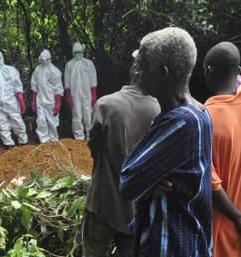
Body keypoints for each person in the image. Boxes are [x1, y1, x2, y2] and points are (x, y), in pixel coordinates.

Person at [120, 27, 213, 257]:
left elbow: (127, 182)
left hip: (171, 245)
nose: (137, 71)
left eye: (142, 65)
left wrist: (148, 181)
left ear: (162, 74)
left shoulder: (180, 123)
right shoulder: (199, 114)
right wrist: (152, 180)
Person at [82, 54, 161, 257]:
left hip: (103, 203)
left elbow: (94, 149)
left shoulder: (105, 105)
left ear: (134, 70)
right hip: (137, 210)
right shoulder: (160, 110)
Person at [204, 42, 241, 257]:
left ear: (208, 71)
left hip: (226, 226)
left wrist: (236, 217)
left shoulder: (205, 117)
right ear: (238, 72)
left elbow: (211, 181)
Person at [0, 49, 28, 149]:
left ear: (2, 58)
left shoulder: (11, 71)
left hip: (12, 103)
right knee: (2, 125)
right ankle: (8, 144)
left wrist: (21, 102)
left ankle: (23, 143)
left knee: (17, 122)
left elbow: (18, 89)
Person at [64, 42, 97, 140]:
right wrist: (68, 96)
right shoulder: (69, 65)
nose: (78, 54)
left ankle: (90, 135)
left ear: (83, 52)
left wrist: (94, 95)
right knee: (76, 114)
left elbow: (93, 80)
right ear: (73, 53)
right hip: (74, 94)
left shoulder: (89, 63)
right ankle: (79, 137)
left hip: (87, 93)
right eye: (76, 52)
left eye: (80, 52)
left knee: (88, 114)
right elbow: (67, 83)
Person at [31, 49, 64, 143]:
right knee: (41, 121)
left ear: (49, 59)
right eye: (41, 60)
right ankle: (44, 141)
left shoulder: (55, 71)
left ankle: (54, 140)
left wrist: (58, 104)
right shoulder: (37, 70)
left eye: (44, 60)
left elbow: (58, 89)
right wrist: (33, 100)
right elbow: (34, 86)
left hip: (51, 101)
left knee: (52, 122)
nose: (42, 62)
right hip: (40, 100)